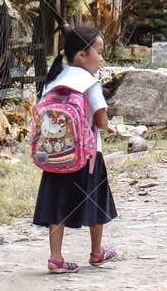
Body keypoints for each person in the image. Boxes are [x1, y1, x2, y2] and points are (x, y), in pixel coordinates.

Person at [32, 26, 118, 274]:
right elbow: (100, 122)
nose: (101, 58)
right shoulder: (90, 83)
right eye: (99, 52)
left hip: (55, 156)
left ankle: (56, 257)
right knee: (96, 203)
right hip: (87, 156)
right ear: (82, 55)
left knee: (57, 203)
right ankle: (97, 252)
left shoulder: (53, 81)